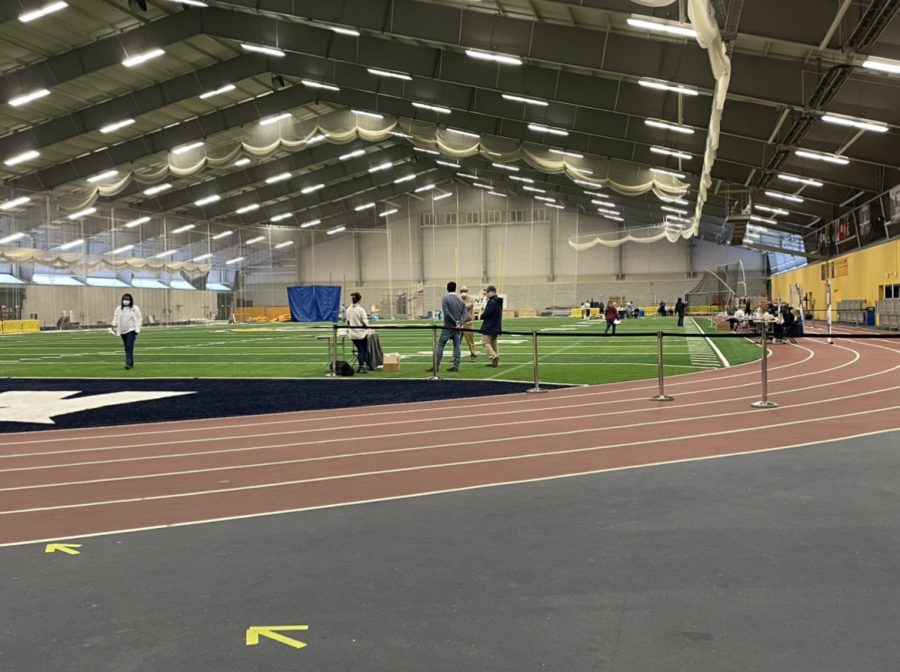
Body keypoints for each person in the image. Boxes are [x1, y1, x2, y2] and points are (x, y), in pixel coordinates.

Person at [427, 281, 467, 373]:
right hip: (457, 328)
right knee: (457, 346)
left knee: (440, 345)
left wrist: (454, 321)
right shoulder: (460, 300)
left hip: (448, 326)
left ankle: (436, 366)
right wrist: (460, 322)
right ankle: (456, 366)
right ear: (455, 288)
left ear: (447, 288)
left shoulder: (445, 299)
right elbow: (465, 314)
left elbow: (446, 312)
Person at [111, 292, 142, 369]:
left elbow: (139, 318)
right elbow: (115, 317)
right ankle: (131, 363)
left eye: (127, 299)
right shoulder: (119, 309)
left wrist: (137, 328)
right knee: (126, 347)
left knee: (129, 346)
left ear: (130, 300)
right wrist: (113, 325)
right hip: (122, 330)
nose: (126, 300)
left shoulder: (134, 308)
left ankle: (128, 364)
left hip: (131, 330)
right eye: (124, 299)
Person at [346, 291, 370, 373]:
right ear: (359, 300)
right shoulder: (361, 309)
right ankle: (362, 365)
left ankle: (362, 365)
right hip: (361, 334)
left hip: (352, 334)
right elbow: (365, 323)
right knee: (363, 350)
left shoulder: (348, 309)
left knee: (360, 349)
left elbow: (348, 322)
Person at [480, 285, 502, 367]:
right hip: (496, 326)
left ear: (492, 292)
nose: (486, 293)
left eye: (487, 292)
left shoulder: (492, 301)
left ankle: (494, 356)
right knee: (493, 343)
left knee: (484, 342)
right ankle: (495, 359)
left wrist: (481, 315)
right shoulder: (498, 301)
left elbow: (488, 313)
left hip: (489, 326)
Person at [459, 286, 478, 362]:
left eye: (465, 291)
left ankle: (473, 356)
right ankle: (455, 356)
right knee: (457, 341)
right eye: (462, 290)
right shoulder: (458, 299)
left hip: (467, 323)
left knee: (470, 342)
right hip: (459, 323)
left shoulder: (470, 300)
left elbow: (466, 306)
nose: (463, 292)